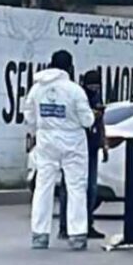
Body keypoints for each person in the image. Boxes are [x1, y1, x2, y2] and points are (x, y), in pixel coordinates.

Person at [26, 51, 94, 250]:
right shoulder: (74, 90)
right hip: (73, 142)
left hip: (46, 141)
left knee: (43, 186)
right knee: (76, 187)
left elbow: (29, 117)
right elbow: (87, 120)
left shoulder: (36, 89)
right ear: (70, 68)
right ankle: (77, 234)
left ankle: (39, 234)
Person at [58, 70, 109, 239]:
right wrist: (89, 115)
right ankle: (65, 226)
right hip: (75, 147)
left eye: (97, 86)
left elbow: (100, 122)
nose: (95, 89)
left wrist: (104, 143)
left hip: (92, 147)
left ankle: (88, 224)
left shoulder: (97, 97)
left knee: (91, 188)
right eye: (92, 86)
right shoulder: (77, 96)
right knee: (71, 188)